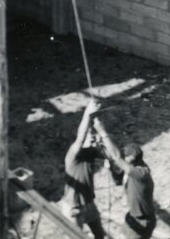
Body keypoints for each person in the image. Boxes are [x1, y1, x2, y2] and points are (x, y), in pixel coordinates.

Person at [93, 116, 156, 239]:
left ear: (131, 159)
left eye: (125, 159)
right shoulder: (134, 168)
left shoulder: (141, 173)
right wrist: (103, 146)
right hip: (133, 217)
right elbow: (117, 176)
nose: (122, 161)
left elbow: (116, 157)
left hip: (142, 221)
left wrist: (102, 132)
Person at [63, 99, 107, 238]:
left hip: (88, 203)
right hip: (74, 208)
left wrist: (101, 136)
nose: (92, 137)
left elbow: (107, 155)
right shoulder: (73, 155)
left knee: (100, 235)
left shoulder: (92, 152)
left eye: (93, 134)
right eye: (90, 135)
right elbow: (80, 137)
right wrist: (87, 114)